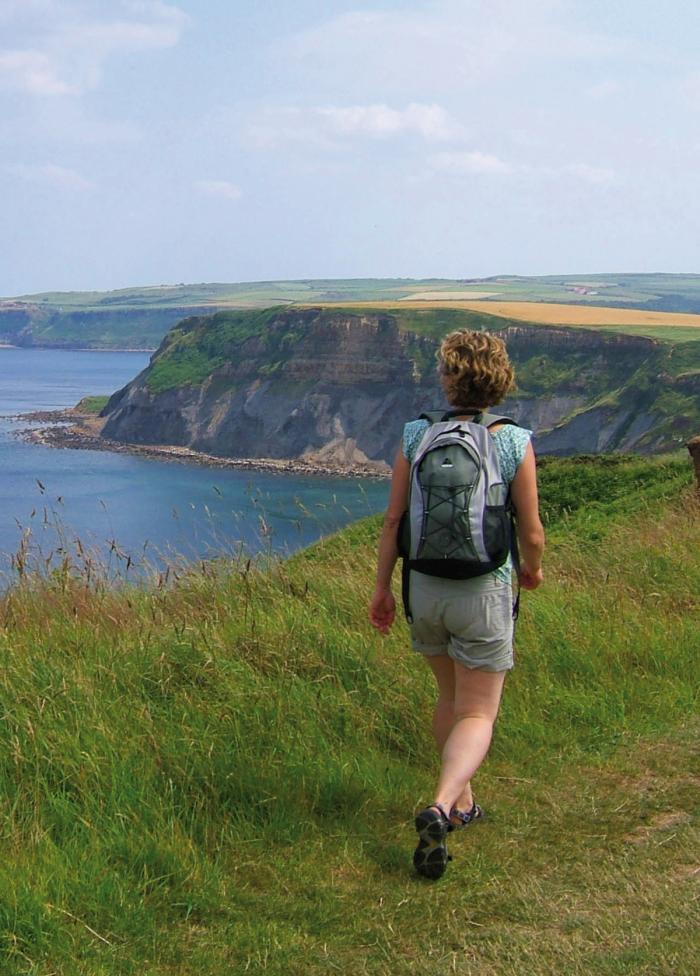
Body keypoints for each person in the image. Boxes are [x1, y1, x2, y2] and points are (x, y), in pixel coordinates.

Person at [369, 328, 545, 880]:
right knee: (477, 711)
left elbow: (395, 521)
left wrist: (380, 588)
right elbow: (531, 530)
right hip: (485, 588)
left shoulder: (416, 435)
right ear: (499, 379)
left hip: (424, 586)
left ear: (448, 378)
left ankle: (463, 805)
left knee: (449, 698)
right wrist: (533, 572)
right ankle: (443, 805)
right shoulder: (513, 441)